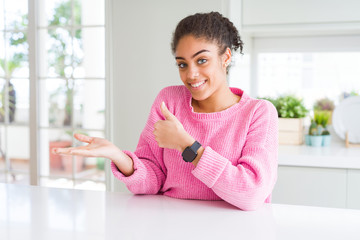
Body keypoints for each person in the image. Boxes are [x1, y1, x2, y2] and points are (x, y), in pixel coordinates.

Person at [53, 11, 278, 211]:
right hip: (169, 225)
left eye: (202, 60)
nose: (191, 74)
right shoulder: (170, 101)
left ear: (225, 57)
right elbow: (153, 180)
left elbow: (252, 194)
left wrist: (187, 146)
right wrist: (118, 156)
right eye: (182, 64)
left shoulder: (258, 113)